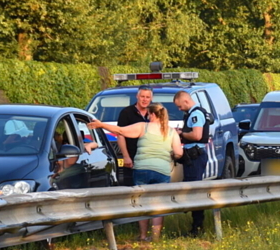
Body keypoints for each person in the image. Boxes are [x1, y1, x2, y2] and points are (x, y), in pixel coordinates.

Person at [90, 104, 182, 241]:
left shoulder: (143, 127)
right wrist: (170, 156)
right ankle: (155, 237)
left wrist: (100, 124)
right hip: (162, 171)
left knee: (142, 203)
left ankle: (143, 235)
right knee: (159, 204)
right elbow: (179, 152)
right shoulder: (171, 132)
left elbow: (120, 131)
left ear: (151, 114)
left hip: (142, 169)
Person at [173, 90, 211, 237]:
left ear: (186, 101)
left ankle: (197, 228)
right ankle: (195, 227)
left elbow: (196, 135)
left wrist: (180, 134)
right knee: (192, 189)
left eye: (179, 106)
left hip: (195, 156)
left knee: (194, 191)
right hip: (192, 156)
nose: (179, 109)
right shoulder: (193, 113)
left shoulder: (195, 114)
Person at [116, 87, 153, 186]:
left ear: (151, 99)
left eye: (147, 97)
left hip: (150, 160)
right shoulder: (126, 113)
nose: (145, 99)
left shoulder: (154, 114)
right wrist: (126, 156)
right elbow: (120, 135)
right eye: (142, 96)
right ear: (137, 96)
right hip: (132, 159)